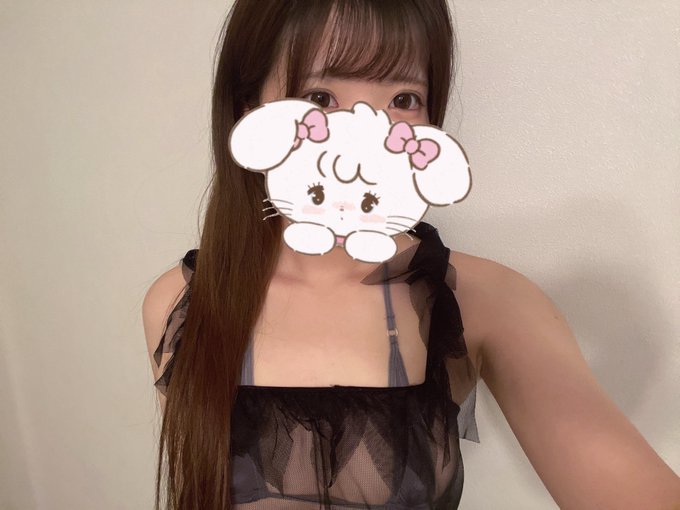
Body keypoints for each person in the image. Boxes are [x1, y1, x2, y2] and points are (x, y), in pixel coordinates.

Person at [142, 1, 680, 509]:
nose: (363, 138)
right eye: (320, 97)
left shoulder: (484, 299)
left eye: (403, 100)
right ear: (250, 110)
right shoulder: (179, 304)